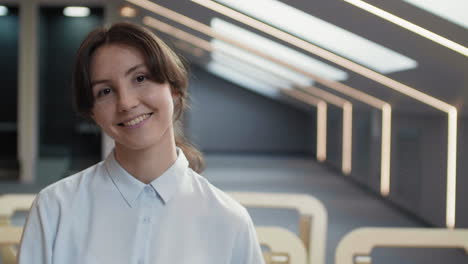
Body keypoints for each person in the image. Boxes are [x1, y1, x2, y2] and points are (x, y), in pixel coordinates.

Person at [18, 22, 264, 264]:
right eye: (105, 91)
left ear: (174, 89)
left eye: (140, 78)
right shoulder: (54, 208)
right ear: (93, 113)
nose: (126, 102)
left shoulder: (229, 220)